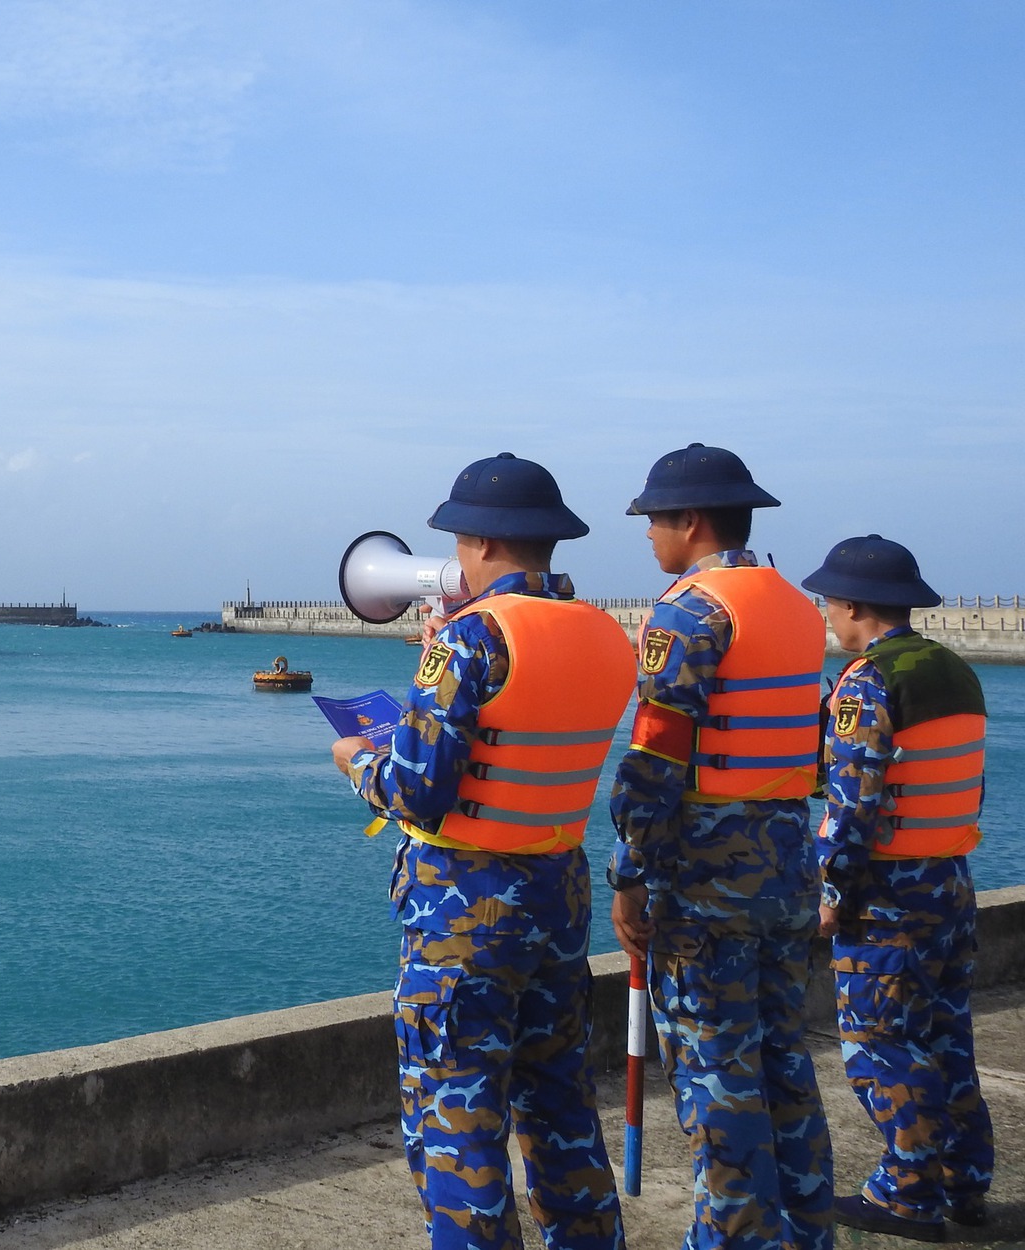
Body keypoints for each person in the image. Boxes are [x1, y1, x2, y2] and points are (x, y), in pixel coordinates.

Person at [334, 451, 634, 1250]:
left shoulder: (471, 639)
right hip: (559, 899)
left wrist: (359, 762)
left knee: (457, 1123)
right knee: (562, 1111)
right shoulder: (607, 634)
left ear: (484, 543)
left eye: (461, 541)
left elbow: (418, 790)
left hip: (463, 911)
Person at [605, 443, 834, 1250]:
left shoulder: (689, 611)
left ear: (690, 522)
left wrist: (629, 876)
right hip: (787, 869)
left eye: (652, 520)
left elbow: (657, 759)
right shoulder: (797, 607)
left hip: (708, 884)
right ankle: (807, 1232)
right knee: (784, 1067)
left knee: (717, 1080)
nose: (646, 536)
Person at [802, 535, 992, 1242]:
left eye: (829, 603)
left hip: (887, 897)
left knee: (880, 1043)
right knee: (946, 1039)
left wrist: (828, 892)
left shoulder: (866, 680)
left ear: (852, 606)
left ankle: (907, 1193)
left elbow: (852, 804)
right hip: (949, 879)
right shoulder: (956, 671)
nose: (827, 615)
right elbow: (965, 784)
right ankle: (965, 1183)